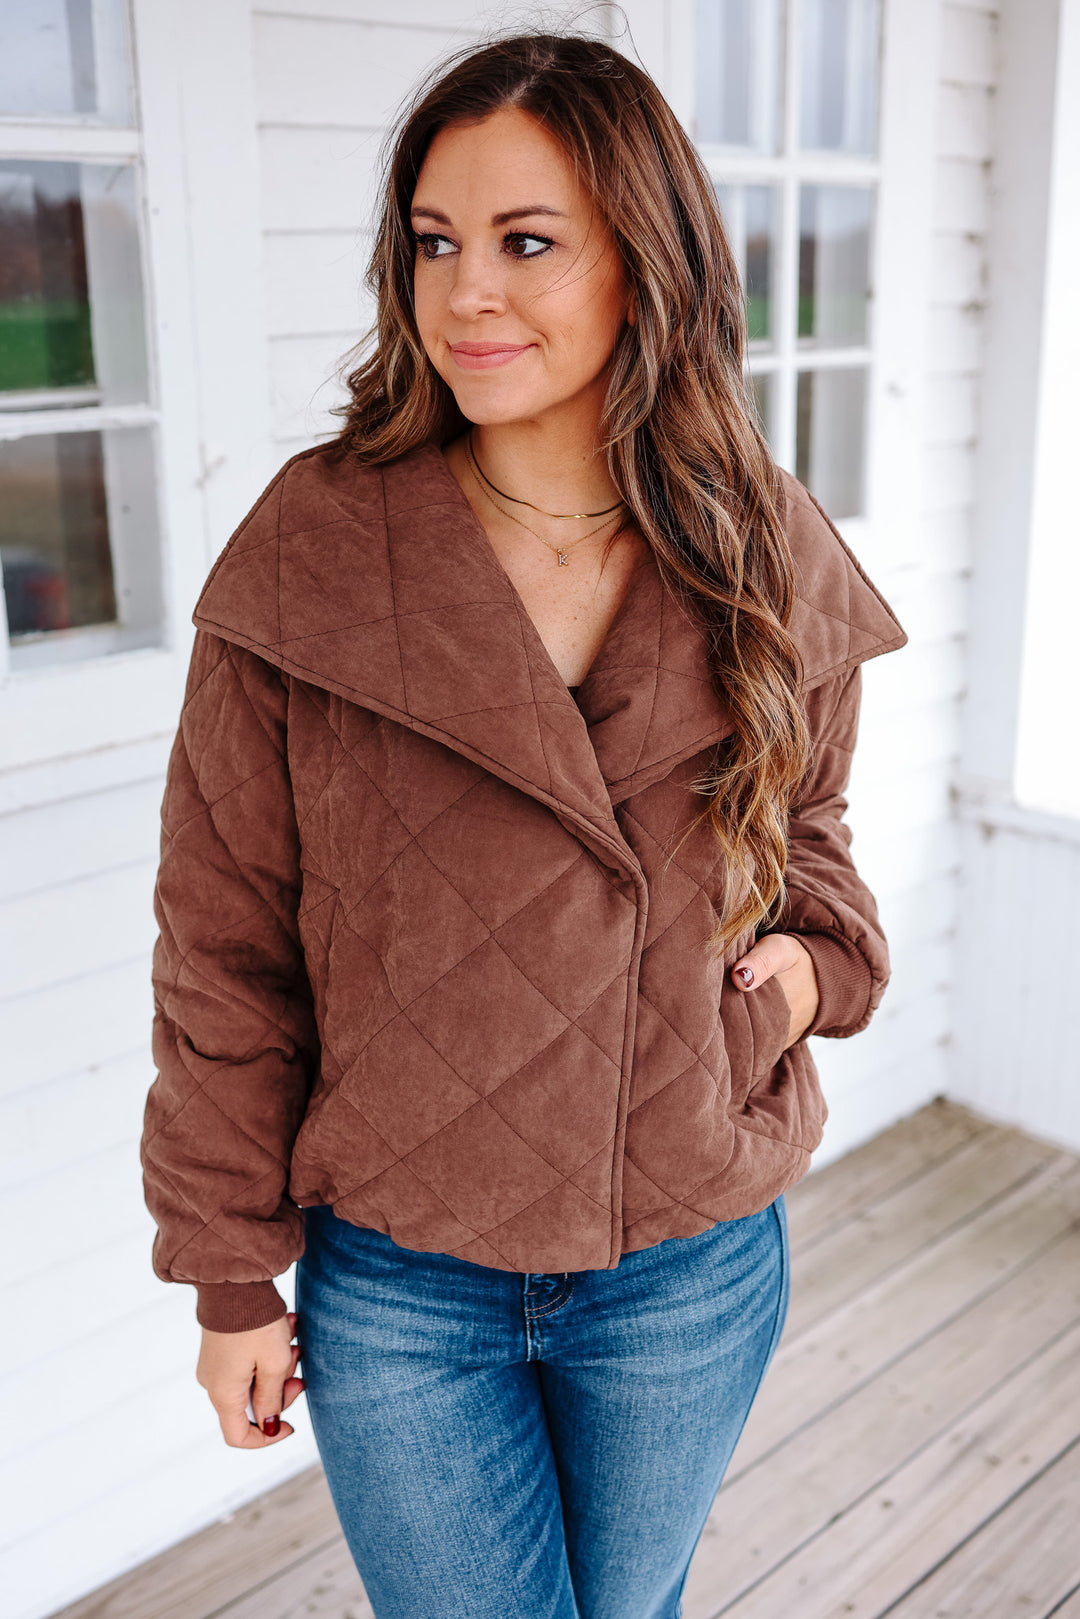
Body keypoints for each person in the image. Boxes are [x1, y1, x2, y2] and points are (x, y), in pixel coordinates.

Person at [140, 29, 906, 1619]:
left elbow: (811, 836)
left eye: (527, 242)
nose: (466, 292)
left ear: (647, 263)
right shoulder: (316, 551)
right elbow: (223, 943)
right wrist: (227, 1268)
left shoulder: (761, 547)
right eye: (435, 243)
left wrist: (803, 981)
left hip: (684, 1255)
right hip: (406, 1278)